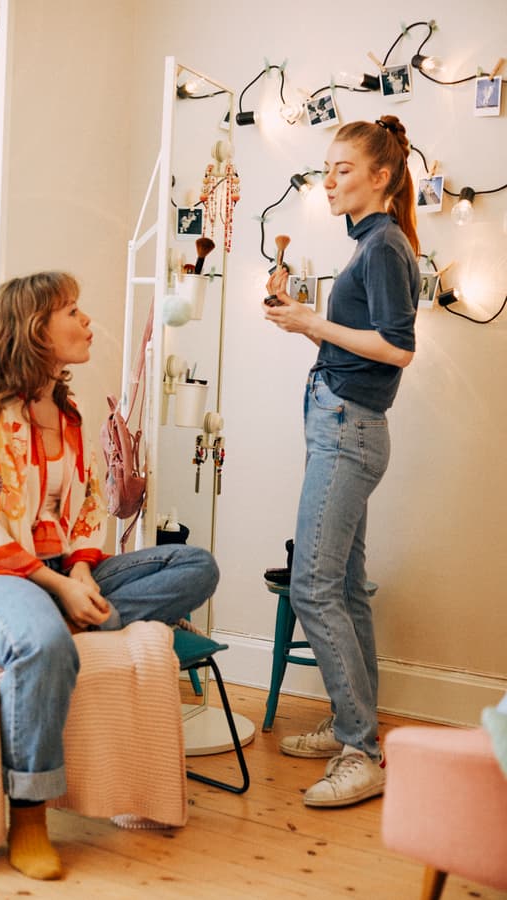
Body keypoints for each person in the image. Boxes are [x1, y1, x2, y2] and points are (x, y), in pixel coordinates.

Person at [0, 271, 219, 879]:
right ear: (35, 330)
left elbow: (87, 508)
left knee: (194, 566)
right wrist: (60, 587)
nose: (87, 321)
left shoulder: (66, 413)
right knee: (42, 643)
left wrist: (83, 573)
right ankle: (30, 812)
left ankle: (74, 616)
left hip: (59, 572)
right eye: (72, 311)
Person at [263, 115, 420, 808]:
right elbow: (357, 347)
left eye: (343, 170)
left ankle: (361, 750)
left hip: (347, 430)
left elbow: (398, 346)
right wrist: (307, 323)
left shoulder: (384, 245)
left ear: (380, 176)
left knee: (314, 585)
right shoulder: (372, 244)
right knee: (345, 587)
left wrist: (313, 324)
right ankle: (351, 727)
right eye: (326, 170)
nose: (329, 182)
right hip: (339, 421)